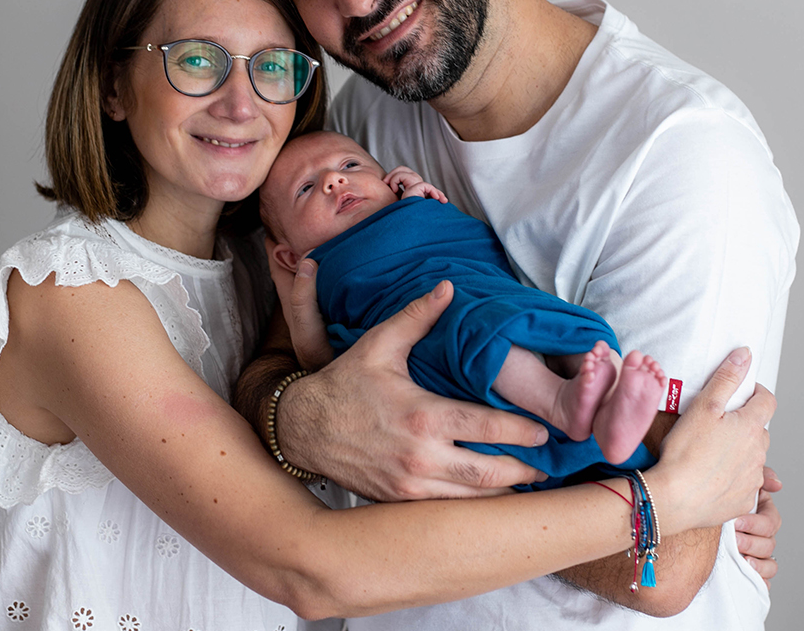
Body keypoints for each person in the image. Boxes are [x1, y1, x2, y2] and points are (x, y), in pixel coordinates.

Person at [0, 0, 774, 631]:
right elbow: (311, 567)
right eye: (197, 61)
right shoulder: (71, 295)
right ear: (112, 85)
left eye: (272, 65)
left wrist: (720, 526)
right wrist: (666, 501)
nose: (241, 103)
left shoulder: (281, 277)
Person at [226, 0, 799, 631]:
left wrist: (394, 454)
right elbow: (278, 362)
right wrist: (304, 422)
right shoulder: (365, 125)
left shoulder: (679, 153)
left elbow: (661, 563)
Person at [261, 129, 667, 472]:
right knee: (477, 328)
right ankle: (560, 403)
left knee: (572, 325)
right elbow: (340, 353)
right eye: (306, 188)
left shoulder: (417, 204)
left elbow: (460, 241)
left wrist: (418, 199)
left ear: (390, 180)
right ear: (290, 257)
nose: (334, 180)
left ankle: (612, 404)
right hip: (438, 327)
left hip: (493, 292)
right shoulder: (318, 270)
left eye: (351, 165)